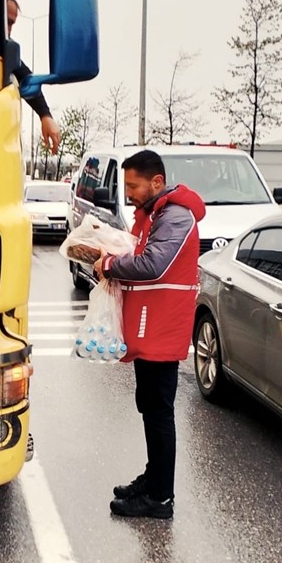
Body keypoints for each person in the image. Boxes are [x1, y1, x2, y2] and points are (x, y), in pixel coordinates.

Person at [93, 150, 206, 519]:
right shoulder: (155, 214)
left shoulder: (175, 216)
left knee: (159, 413)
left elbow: (154, 264)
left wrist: (110, 264)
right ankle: (155, 478)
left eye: (133, 186)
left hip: (162, 330)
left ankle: (159, 497)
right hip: (150, 327)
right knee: (150, 407)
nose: (128, 193)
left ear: (156, 182)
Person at [6, 0, 62, 155]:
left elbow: (27, 79)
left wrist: (45, 115)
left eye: (12, 24)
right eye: (7, 22)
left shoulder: (6, 52)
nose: (8, 30)